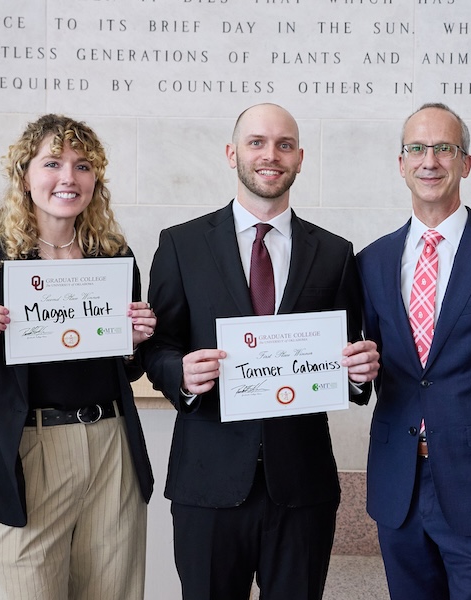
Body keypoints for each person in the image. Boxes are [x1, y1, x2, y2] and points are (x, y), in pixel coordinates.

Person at [142, 103, 380, 600]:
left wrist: (359, 374)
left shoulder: (335, 253)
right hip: (207, 481)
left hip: (302, 485)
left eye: (284, 144)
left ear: (299, 158)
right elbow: (159, 348)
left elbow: (350, 357)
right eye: (256, 142)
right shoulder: (182, 244)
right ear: (232, 153)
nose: (270, 155)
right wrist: (179, 373)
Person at [0, 114, 156, 599]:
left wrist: (135, 343)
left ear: (96, 180)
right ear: (25, 176)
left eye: (83, 165)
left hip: (111, 446)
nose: (69, 178)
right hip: (26, 451)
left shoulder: (114, 259)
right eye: (53, 163)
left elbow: (123, 368)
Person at [356, 103, 471, 600]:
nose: (430, 160)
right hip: (398, 482)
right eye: (416, 148)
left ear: (466, 163)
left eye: (444, 148)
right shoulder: (371, 261)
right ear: (401, 164)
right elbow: (368, 370)